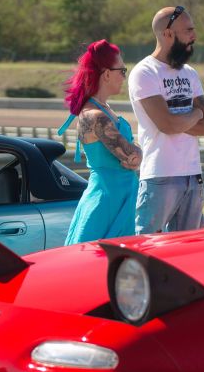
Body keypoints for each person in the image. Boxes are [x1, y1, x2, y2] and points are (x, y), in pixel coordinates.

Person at [129, 5, 204, 234]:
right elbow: (167, 125)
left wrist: (179, 120)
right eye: (188, 30)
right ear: (167, 33)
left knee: (189, 247)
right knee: (148, 247)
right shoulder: (145, 72)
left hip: (193, 175)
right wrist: (196, 114)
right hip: (160, 175)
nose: (194, 36)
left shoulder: (190, 73)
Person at [58, 40, 142, 246]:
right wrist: (136, 151)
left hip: (120, 197)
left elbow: (132, 157)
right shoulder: (94, 116)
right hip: (107, 202)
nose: (124, 77)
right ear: (106, 74)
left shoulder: (104, 110)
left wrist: (135, 153)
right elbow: (132, 156)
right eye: (122, 71)